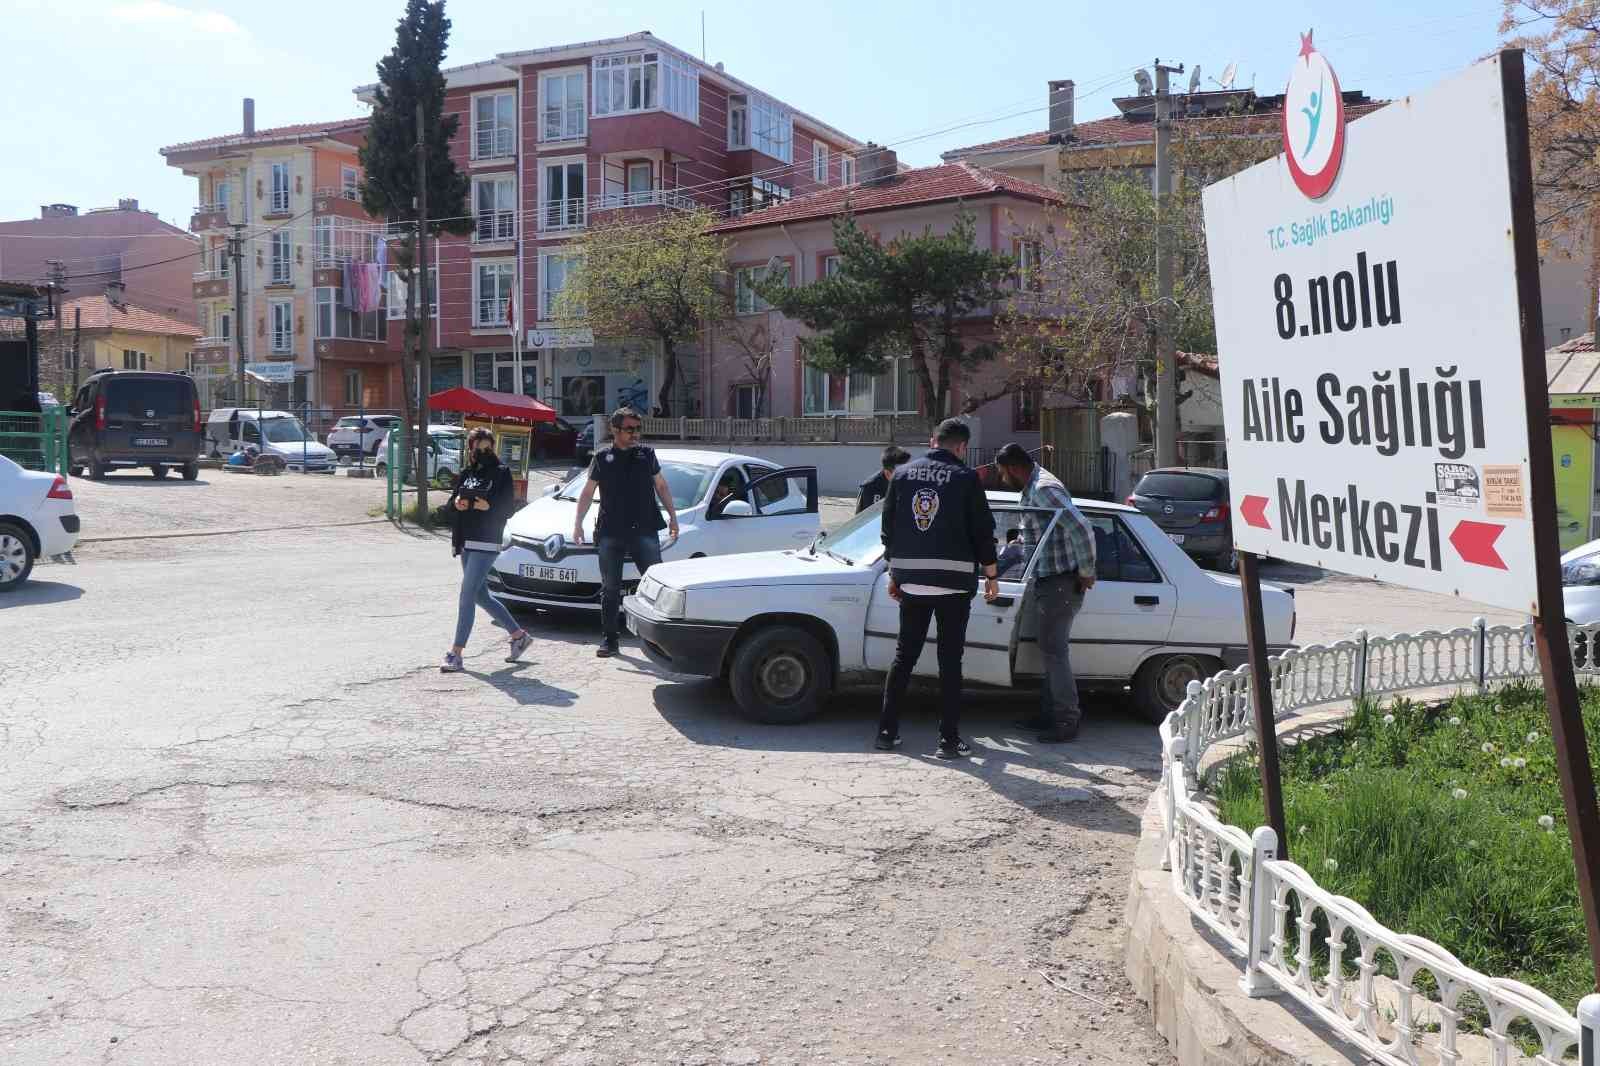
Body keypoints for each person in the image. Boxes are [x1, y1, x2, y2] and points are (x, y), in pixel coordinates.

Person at [875, 418, 999, 759]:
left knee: (904, 657)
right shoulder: (966, 478)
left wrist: (893, 573)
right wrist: (991, 575)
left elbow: (888, 527)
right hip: (954, 585)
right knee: (949, 662)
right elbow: (982, 531)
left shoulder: (901, 475)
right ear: (961, 447)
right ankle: (947, 740)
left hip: (911, 582)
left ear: (933, 441)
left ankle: (886, 733)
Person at [994, 442, 1097, 742]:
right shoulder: (1033, 487)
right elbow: (1035, 533)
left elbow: (1081, 528)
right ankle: (1049, 714)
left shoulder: (1043, 489)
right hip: (1049, 580)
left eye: (1003, 473)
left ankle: (1066, 720)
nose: (1002, 479)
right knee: (1050, 650)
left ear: (1014, 469)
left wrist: (1087, 571)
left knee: (1055, 652)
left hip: (1060, 582)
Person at [572, 406, 679, 658]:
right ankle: (610, 640)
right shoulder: (601, 457)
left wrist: (673, 517)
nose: (635, 434)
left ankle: (660, 642)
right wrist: (578, 523)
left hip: (645, 528)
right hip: (611, 530)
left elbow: (661, 486)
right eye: (629, 429)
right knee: (610, 587)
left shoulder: (647, 455)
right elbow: (588, 492)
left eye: (637, 429)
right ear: (615, 429)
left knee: (656, 584)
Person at [441, 428, 531, 673]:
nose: (483, 452)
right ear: (470, 449)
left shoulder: (501, 473)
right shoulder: (467, 473)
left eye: (487, 447)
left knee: (466, 594)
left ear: (493, 447)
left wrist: (488, 505)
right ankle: (519, 635)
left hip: (487, 540)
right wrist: (457, 504)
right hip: (467, 540)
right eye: (478, 448)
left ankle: (456, 653)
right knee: (480, 595)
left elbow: (508, 507)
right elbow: (450, 504)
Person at [856, 445, 911, 513]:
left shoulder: (912, 484)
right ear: (887, 473)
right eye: (903, 471)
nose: (908, 473)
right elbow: (861, 519)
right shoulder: (869, 488)